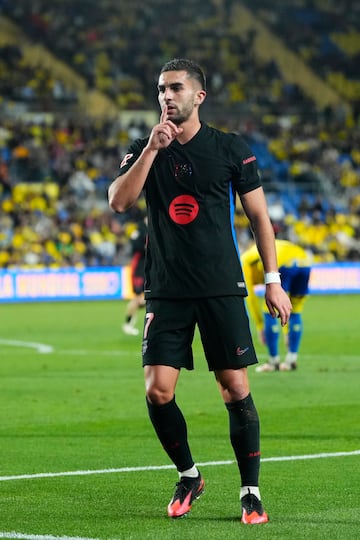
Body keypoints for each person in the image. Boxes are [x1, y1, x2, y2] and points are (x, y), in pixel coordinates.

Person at [108, 58, 292, 524]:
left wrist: (272, 280)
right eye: (160, 90)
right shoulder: (144, 148)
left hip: (220, 287)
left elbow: (259, 219)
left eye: (175, 88)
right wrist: (151, 150)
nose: (166, 97)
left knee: (234, 388)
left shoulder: (231, 149)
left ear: (199, 96)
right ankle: (190, 475)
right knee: (157, 391)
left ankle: (250, 492)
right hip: (167, 288)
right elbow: (119, 201)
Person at [241, 240, 312, 372]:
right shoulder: (270, 246)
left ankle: (273, 362)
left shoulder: (244, 261)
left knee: (270, 309)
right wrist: (286, 331)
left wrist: (260, 326)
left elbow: (250, 297)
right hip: (304, 261)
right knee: (295, 310)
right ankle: (291, 359)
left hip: (281, 263)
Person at [122, 216, 147, 336]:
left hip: (148, 267)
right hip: (139, 269)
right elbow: (135, 246)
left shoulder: (152, 228)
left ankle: (129, 324)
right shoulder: (140, 231)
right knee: (138, 299)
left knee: (141, 300)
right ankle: (127, 324)